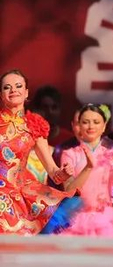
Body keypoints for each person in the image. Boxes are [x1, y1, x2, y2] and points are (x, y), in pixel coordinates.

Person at [0, 69, 83, 234]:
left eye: (18, 86)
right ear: (1, 94)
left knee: (72, 205)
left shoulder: (34, 124)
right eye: (7, 87)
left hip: (20, 192)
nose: (13, 90)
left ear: (26, 92)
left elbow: (53, 172)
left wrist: (63, 173)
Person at [60, 104, 113, 236]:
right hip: (77, 218)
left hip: (106, 218)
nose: (91, 126)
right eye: (85, 122)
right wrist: (88, 167)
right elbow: (69, 191)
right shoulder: (70, 154)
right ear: (79, 125)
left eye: (96, 122)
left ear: (104, 126)